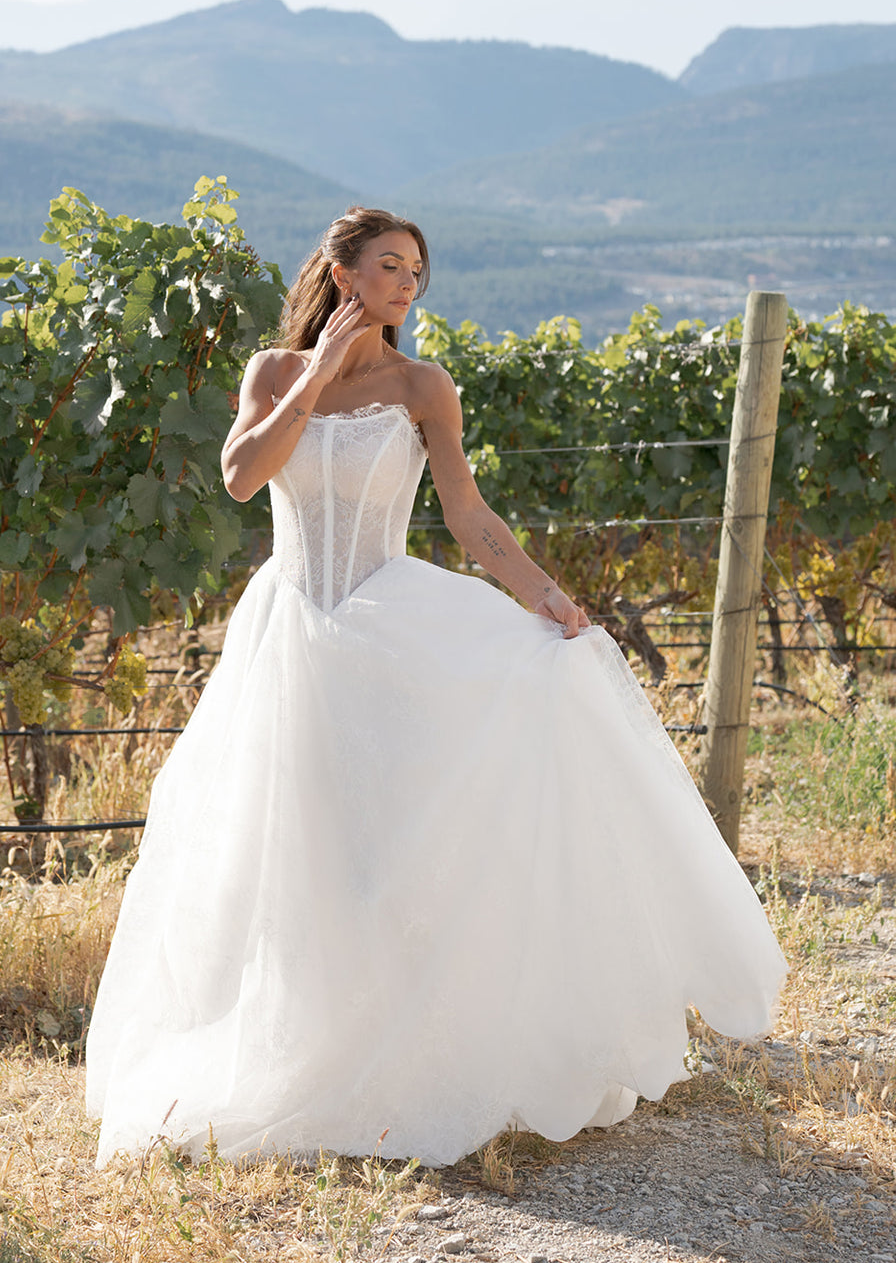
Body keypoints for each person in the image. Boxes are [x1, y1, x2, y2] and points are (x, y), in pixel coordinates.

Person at [86, 206, 785, 1169]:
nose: (408, 284)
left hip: (389, 628)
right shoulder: (272, 372)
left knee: (392, 849)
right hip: (287, 632)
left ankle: (413, 1056)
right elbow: (245, 478)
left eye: (418, 270)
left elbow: (465, 512)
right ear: (342, 273)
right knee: (287, 850)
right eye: (390, 266)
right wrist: (320, 375)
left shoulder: (424, 385)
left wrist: (542, 592)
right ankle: (301, 1047)